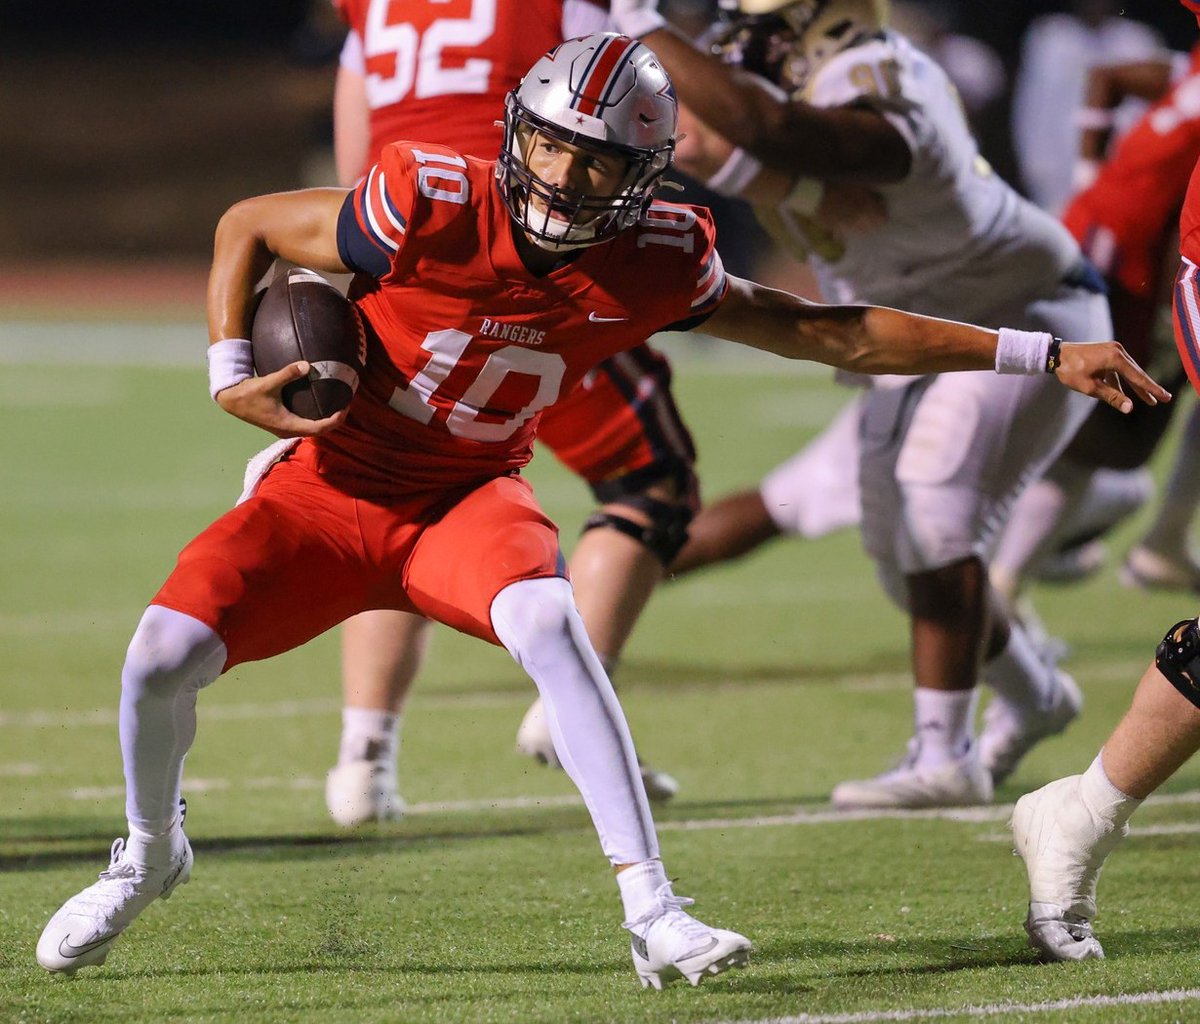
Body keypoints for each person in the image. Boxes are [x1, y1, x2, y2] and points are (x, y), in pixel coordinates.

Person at [33, 33, 1161, 983]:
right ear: (521, 133)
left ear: (649, 172)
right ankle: (147, 851)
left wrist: (1040, 350)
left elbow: (837, 331)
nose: (569, 181)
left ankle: (653, 910)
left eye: (598, 163)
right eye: (556, 150)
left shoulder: (660, 258)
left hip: (469, 496)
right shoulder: (425, 197)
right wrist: (231, 371)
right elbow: (249, 223)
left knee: (551, 627)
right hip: (331, 488)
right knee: (154, 658)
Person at [606, 0, 1119, 804]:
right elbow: (720, 140)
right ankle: (1037, 695)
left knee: (939, 514)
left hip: (1020, 311)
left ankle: (945, 755)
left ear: (828, 24)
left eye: (768, 33)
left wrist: (642, 22)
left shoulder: (878, 83)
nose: (748, 49)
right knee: (900, 554)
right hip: (921, 329)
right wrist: (796, 187)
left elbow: (772, 131)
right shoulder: (817, 96)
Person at [325, 0, 686, 828]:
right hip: (533, 247)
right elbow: (636, 115)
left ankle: (363, 756)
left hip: (407, 245)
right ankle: (570, 709)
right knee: (650, 479)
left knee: (395, 491)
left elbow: (355, 149)